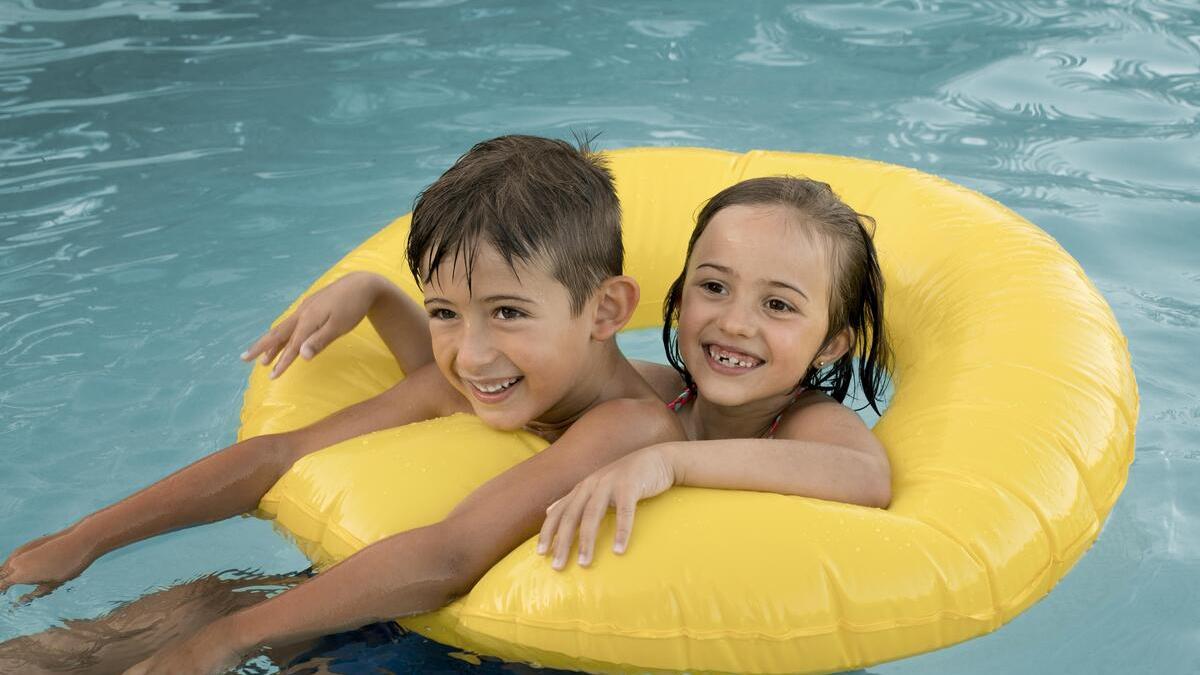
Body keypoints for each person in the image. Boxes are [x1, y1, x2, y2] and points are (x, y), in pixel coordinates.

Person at [0, 135, 681, 674]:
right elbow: (279, 455)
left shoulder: (634, 422)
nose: (471, 354)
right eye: (444, 311)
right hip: (389, 616)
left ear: (606, 310)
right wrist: (84, 538)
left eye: (507, 311)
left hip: (492, 653)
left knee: (223, 625)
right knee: (199, 602)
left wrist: (228, 642)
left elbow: (449, 556)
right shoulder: (473, 382)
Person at [244, 175, 894, 575]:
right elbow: (484, 380)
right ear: (678, 294)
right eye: (714, 286)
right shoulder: (660, 394)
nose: (735, 322)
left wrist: (669, 466)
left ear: (834, 342)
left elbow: (863, 476)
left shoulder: (808, 421)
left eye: (777, 305)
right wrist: (379, 297)